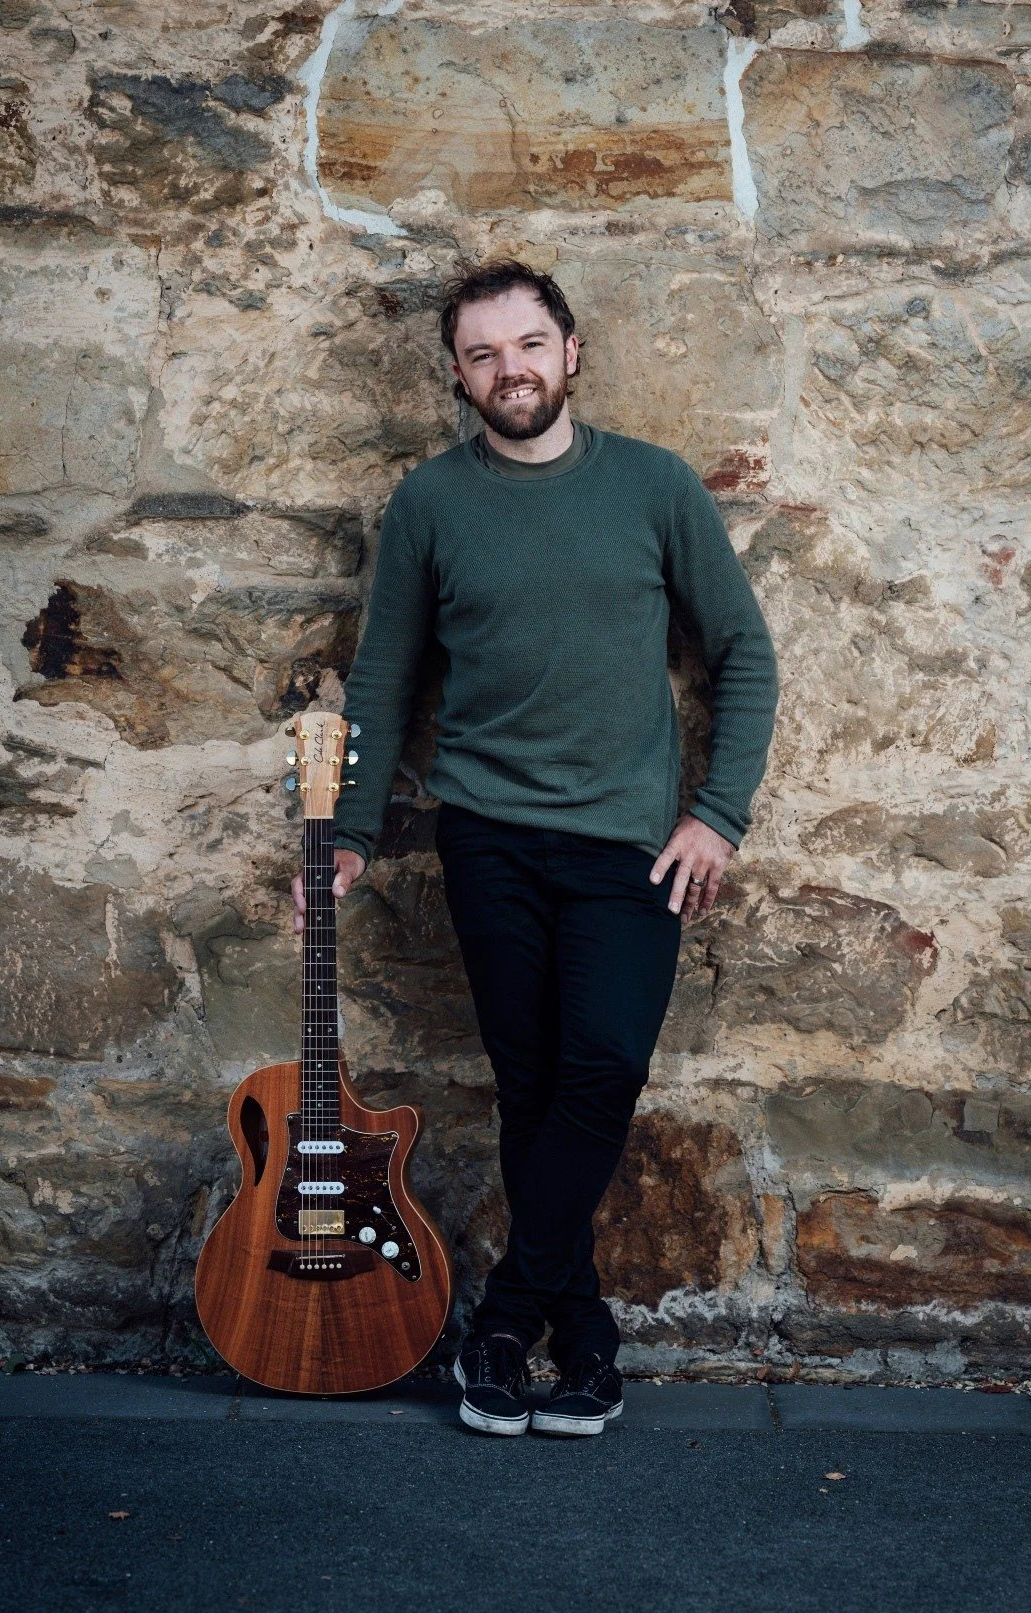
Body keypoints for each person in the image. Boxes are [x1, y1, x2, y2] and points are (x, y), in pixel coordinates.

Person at [291, 257, 779, 1438]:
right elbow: (386, 678)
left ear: (572, 354)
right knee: (532, 1088)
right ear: (458, 376)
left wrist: (716, 815)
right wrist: (352, 837)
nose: (510, 369)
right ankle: (586, 1335)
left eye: (529, 344)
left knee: (602, 1069)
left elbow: (746, 658)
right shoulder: (430, 505)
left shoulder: (656, 489)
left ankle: (509, 1316)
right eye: (483, 353)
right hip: (491, 843)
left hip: (628, 847)